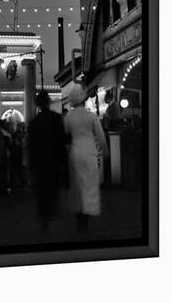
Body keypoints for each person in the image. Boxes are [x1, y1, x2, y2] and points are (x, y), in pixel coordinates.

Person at [64, 85, 109, 233]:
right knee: (89, 185)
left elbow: (65, 137)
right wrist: (106, 151)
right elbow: (101, 136)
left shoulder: (69, 117)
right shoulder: (91, 116)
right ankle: (86, 218)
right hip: (89, 153)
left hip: (75, 153)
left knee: (77, 186)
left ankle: (79, 218)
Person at [28, 91, 67, 228]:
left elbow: (31, 146)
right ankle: (50, 211)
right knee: (52, 188)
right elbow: (61, 141)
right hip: (54, 160)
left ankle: (44, 215)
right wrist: (63, 162)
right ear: (48, 102)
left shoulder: (34, 123)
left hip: (40, 163)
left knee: (41, 191)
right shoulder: (56, 119)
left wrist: (31, 165)